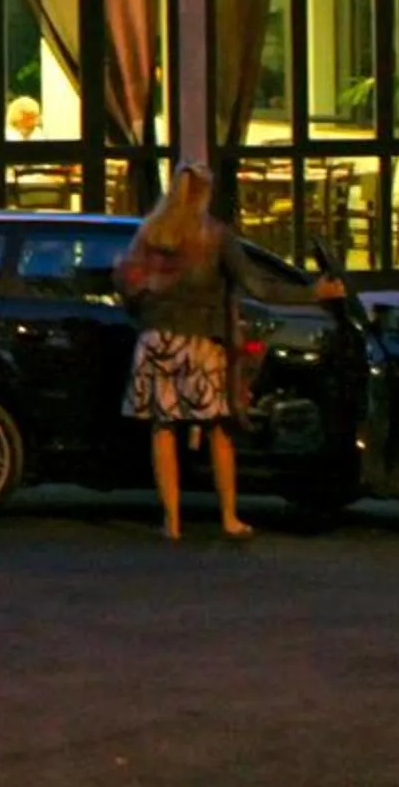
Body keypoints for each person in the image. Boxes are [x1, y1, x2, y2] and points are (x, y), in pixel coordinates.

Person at [117, 163, 343, 541]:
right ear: (205, 194)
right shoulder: (214, 237)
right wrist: (312, 293)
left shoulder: (149, 234)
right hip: (201, 343)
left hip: (155, 341)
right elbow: (256, 285)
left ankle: (171, 522)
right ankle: (228, 517)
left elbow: (128, 284)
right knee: (219, 429)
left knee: (164, 428)